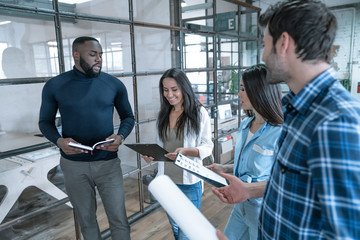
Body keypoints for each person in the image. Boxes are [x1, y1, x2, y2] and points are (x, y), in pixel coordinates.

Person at [214, 1, 360, 239]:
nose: (262, 54)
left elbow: (345, 233)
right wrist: (248, 189)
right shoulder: (295, 109)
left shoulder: (337, 120)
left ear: (283, 43)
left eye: (264, 44)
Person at [38, 36, 135, 240]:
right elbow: (44, 123)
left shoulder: (114, 84)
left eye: (100, 55)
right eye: (93, 55)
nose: (98, 59)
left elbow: (128, 117)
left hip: (108, 165)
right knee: (87, 221)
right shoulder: (55, 85)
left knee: (119, 220)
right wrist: (59, 141)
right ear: (76, 55)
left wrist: (121, 136)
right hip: (73, 166)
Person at [208, 64, 283, 240]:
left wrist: (248, 190)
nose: (239, 94)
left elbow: (284, 183)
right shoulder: (244, 125)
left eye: (243, 89)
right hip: (240, 208)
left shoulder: (280, 132)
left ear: (259, 91)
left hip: (263, 213)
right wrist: (224, 168)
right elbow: (250, 163)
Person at [142, 68, 213, 240]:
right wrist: (150, 155)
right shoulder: (164, 114)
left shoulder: (198, 112)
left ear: (184, 88)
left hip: (189, 182)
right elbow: (160, 145)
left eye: (174, 89)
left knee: (186, 233)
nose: (169, 94)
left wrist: (186, 152)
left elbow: (207, 146)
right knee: (175, 228)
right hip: (166, 182)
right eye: (165, 90)